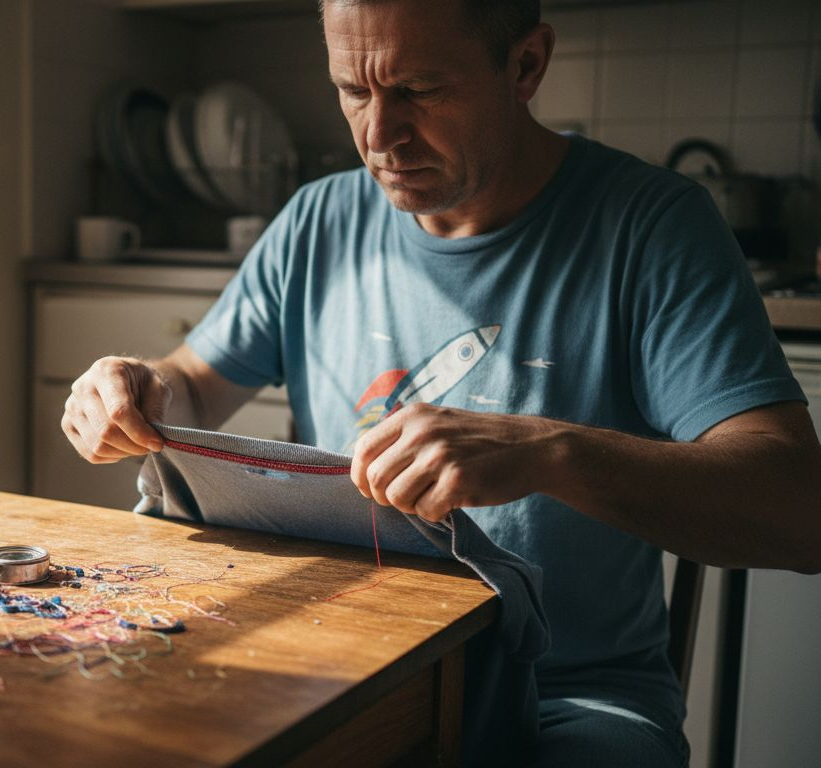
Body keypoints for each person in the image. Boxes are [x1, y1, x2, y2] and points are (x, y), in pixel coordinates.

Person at [61, 0, 821, 765]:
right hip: (345, 666)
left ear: (526, 65)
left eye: (419, 90)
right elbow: (193, 385)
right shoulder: (316, 222)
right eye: (353, 90)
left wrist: (549, 453)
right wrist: (139, 388)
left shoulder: (653, 228)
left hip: (565, 698)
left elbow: (798, 509)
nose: (378, 137)